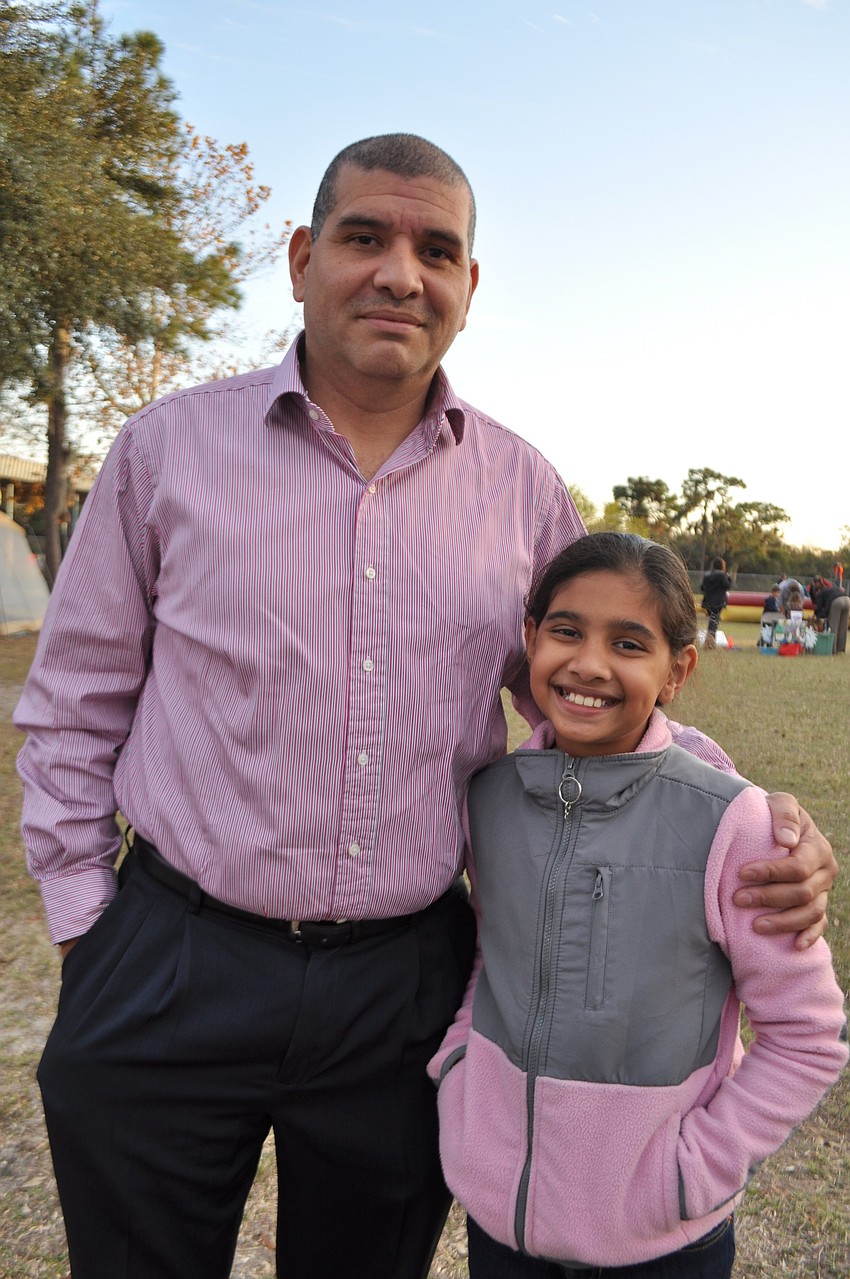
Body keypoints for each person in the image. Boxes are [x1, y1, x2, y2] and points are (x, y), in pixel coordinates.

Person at [14, 135, 838, 1279]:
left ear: (468, 288)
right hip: (171, 955)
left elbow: (589, 690)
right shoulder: (168, 452)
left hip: (403, 992)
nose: (401, 273)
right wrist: (87, 922)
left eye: (436, 250)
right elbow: (73, 702)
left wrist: (748, 811)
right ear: (303, 258)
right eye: (365, 238)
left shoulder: (522, 490)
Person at [430, 532, 848, 1278]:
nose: (589, 663)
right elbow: (491, 958)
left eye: (629, 642)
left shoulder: (736, 824)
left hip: (662, 1242)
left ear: (676, 670)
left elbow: (808, 1036)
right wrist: (461, 1071)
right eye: (566, 631)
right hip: (501, 1221)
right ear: (530, 641)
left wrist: (694, 1169)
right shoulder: (487, 800)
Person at [699, 556, 732, 650]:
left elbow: (702, 587)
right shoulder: (722, 575)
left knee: (712, 621)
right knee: (714, 622)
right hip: (719, 601)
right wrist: (728, 578)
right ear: (722, 565)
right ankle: (709, 643)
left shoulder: (707, 574)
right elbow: (727, 585)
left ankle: (709, 642)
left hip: (708, 601)